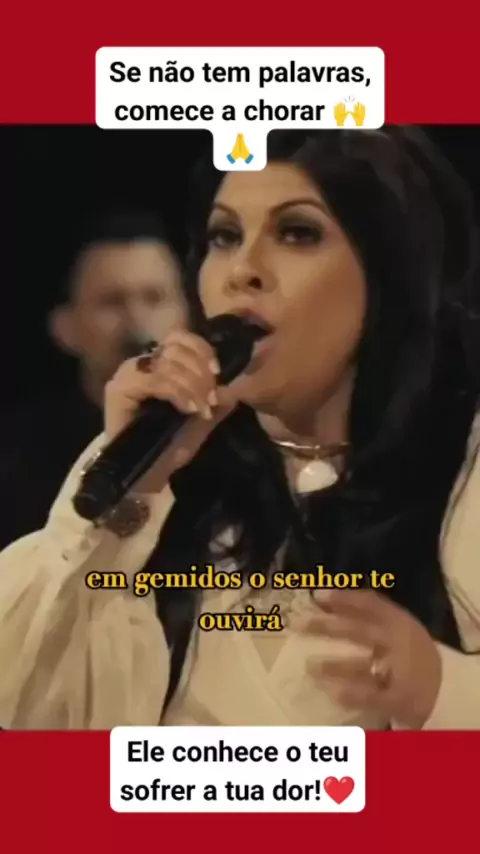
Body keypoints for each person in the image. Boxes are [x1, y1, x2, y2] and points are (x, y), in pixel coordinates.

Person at [0, 128, 479, 730]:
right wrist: (126, 499)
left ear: (389, 270)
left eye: (297, 233)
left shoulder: (464, 468)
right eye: (224, 236)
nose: (242, 270)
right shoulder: (171, 487)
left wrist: (440, 692)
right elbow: (32, 709)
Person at [0, 211, 187, 549]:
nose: (137, 322)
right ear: (65, 328)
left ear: (186, 315)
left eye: (154, 298)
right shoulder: (14, 458)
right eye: (112, 303)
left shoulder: (235, 442)